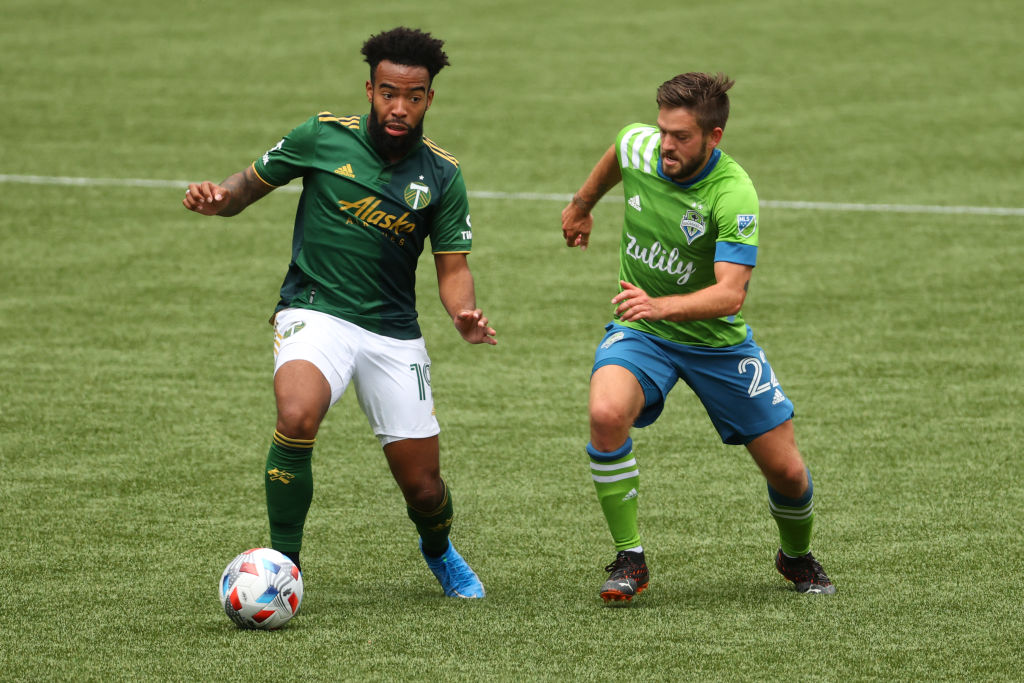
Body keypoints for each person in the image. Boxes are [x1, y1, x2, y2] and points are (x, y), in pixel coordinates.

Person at [184, 27, 494, 599]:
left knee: (425, 489)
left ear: (429, 99)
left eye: (414, 97)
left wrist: (463, 313)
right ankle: (284, 567)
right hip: (315, 309)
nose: (399, 108)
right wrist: (218, 199)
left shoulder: (443, 176)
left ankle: (439, 551)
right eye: (388, 93)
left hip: (393, 332)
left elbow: (453, 268)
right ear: (370, 89)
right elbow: (244, 187)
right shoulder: (321, 136)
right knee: (297, 415)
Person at [561, 72, 835, 602]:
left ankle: (796, 556)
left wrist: (660, 304)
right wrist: (582, 204)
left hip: (717, 344)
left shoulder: (733, 193)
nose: (666, 145)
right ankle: (630, 558)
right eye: (663, 130)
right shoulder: (643, 146)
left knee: (788, 472)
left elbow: (731, 295)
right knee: (605, 413)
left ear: (714, 137)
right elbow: (620, 151)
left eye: (681, 136)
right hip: (643, 331)